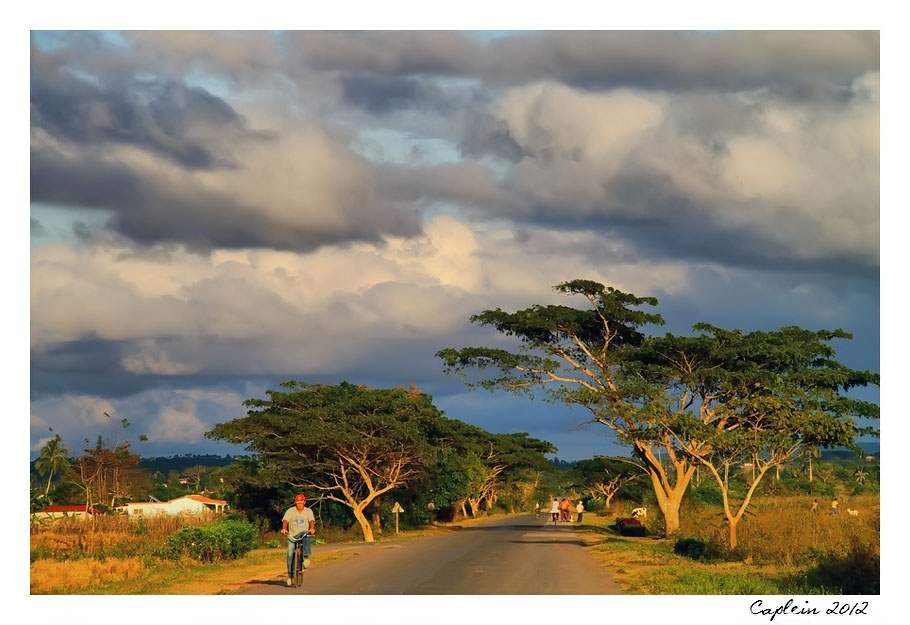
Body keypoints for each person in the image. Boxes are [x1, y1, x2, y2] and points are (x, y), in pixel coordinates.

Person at [281, 493, 316, 586]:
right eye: (298, 503)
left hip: (303, 533)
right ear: (295, 503)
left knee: (307, 534)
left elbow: (311, 521)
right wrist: (284, 528)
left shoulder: (308, 511)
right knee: (290, 553)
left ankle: (306, 556)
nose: (299, 505)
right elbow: (285, 520)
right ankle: (290, 577)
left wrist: (312, 529)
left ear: (304, 502)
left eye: (301, 503)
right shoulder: (290, 511)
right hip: (292, 534)